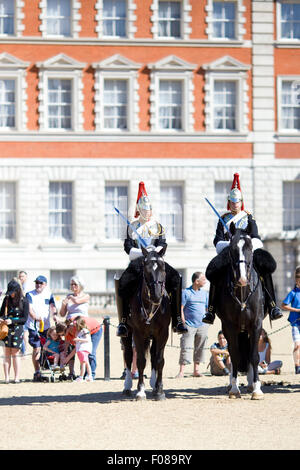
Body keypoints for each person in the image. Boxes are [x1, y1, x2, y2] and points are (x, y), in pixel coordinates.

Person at [203, 172, 282, 325]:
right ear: (229, 202)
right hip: (229, 252)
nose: (235, 205)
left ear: (241, 202)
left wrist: (244, 243)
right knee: (215, 272)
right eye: (232, 202)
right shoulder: (223, 219)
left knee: (264, 268)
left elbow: (256, 236)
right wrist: (230, 245)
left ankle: (272, 306)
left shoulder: (248, 218)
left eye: (237, 202)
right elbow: (217, 240)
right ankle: (211, 310)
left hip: (247, 250)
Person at [116, 181, 187, 337]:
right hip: (138, 261)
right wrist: (142, 253)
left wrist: (154, 252)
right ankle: (122, 322)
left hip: (156, 260)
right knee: (122, 282)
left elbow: (163, 243)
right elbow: (127, 246)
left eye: (149, 210)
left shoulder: (158, 226)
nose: (147, 213)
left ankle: (177, 320)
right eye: (144, 210)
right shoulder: (132, 226)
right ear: (139, 210)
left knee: (176, 278)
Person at [176, 272, 209, 378]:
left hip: (202, 325)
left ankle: (196, 370)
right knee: (186, 347)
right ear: (196, 281)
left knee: (200, 347)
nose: (205, 281)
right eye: (203, 279)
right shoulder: (186, 292)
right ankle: (181, 371)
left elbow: (207, 309)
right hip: (189, 325)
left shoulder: (205, 294)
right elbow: (181, 308)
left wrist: (206, 322)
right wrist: (183, 322)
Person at [25, 275, 58, 382]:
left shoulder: (49, 294)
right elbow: (29, 309)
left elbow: (52, 306)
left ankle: (45, 369)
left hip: (46, 327)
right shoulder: (29, 294)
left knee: (47, 347)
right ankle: (37, 371)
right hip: (33, 326)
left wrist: (55, 315)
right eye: (37, 283)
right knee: (37, 348)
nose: (38, 285)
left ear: (45, 284)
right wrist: (35, 317)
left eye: (41, 283)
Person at [0, 279, 29, 383]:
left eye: (12, 292)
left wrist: (11, 321)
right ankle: (7, 377)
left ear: (17, 291)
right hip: (6, 329)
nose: (11, 294)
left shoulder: (24, 300)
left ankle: (16, 377)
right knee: (6, 353)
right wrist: (2, 319)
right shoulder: (6, 299)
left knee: (15, 353)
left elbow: (24, 319)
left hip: (17, 329)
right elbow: (2, 313)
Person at [62, 316, 103, 380]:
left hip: (95, 330)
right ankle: (84, 375)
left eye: (63, 334)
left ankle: (91, 375)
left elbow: (78, 347)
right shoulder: (69, 330)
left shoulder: (77, 327)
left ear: (67, 329)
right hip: (85, 336)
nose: (63, 336)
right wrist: (65, 352)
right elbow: (67, 342)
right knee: (83, 358)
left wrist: (67, 358)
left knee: (91, 353)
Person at [281, 266, 300, 374]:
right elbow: (283, 305)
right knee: (297, 345)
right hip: (295, 323)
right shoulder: (293, 293)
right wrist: (297, 310)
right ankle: (297, 366)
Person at [73, 318, 93, 382]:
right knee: (86, 363)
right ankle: (89, 376)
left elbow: (87, 340)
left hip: (83, 349)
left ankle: (81, 377)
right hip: (81, 349)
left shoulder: (84, 330)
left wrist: (78, 340)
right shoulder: (80, 331)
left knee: (83, 363)